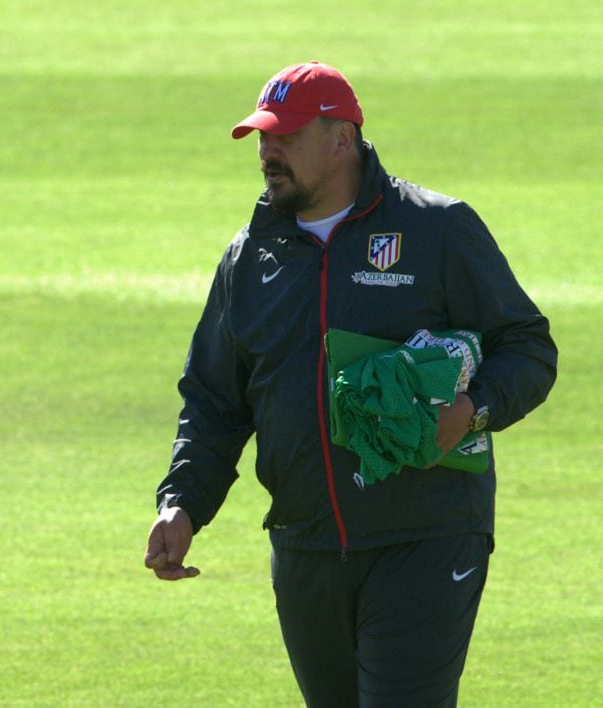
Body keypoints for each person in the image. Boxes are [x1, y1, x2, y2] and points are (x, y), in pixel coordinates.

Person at [143, 62, 557, 706]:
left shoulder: (437, 229)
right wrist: (183, 503)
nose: (267, 152)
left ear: (343, 140)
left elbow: (528, 347)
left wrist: (473, 409)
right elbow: (215, 400)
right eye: (262, 137)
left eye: (286, 136)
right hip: (305, 544)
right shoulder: (250, 257)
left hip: (424, 537)